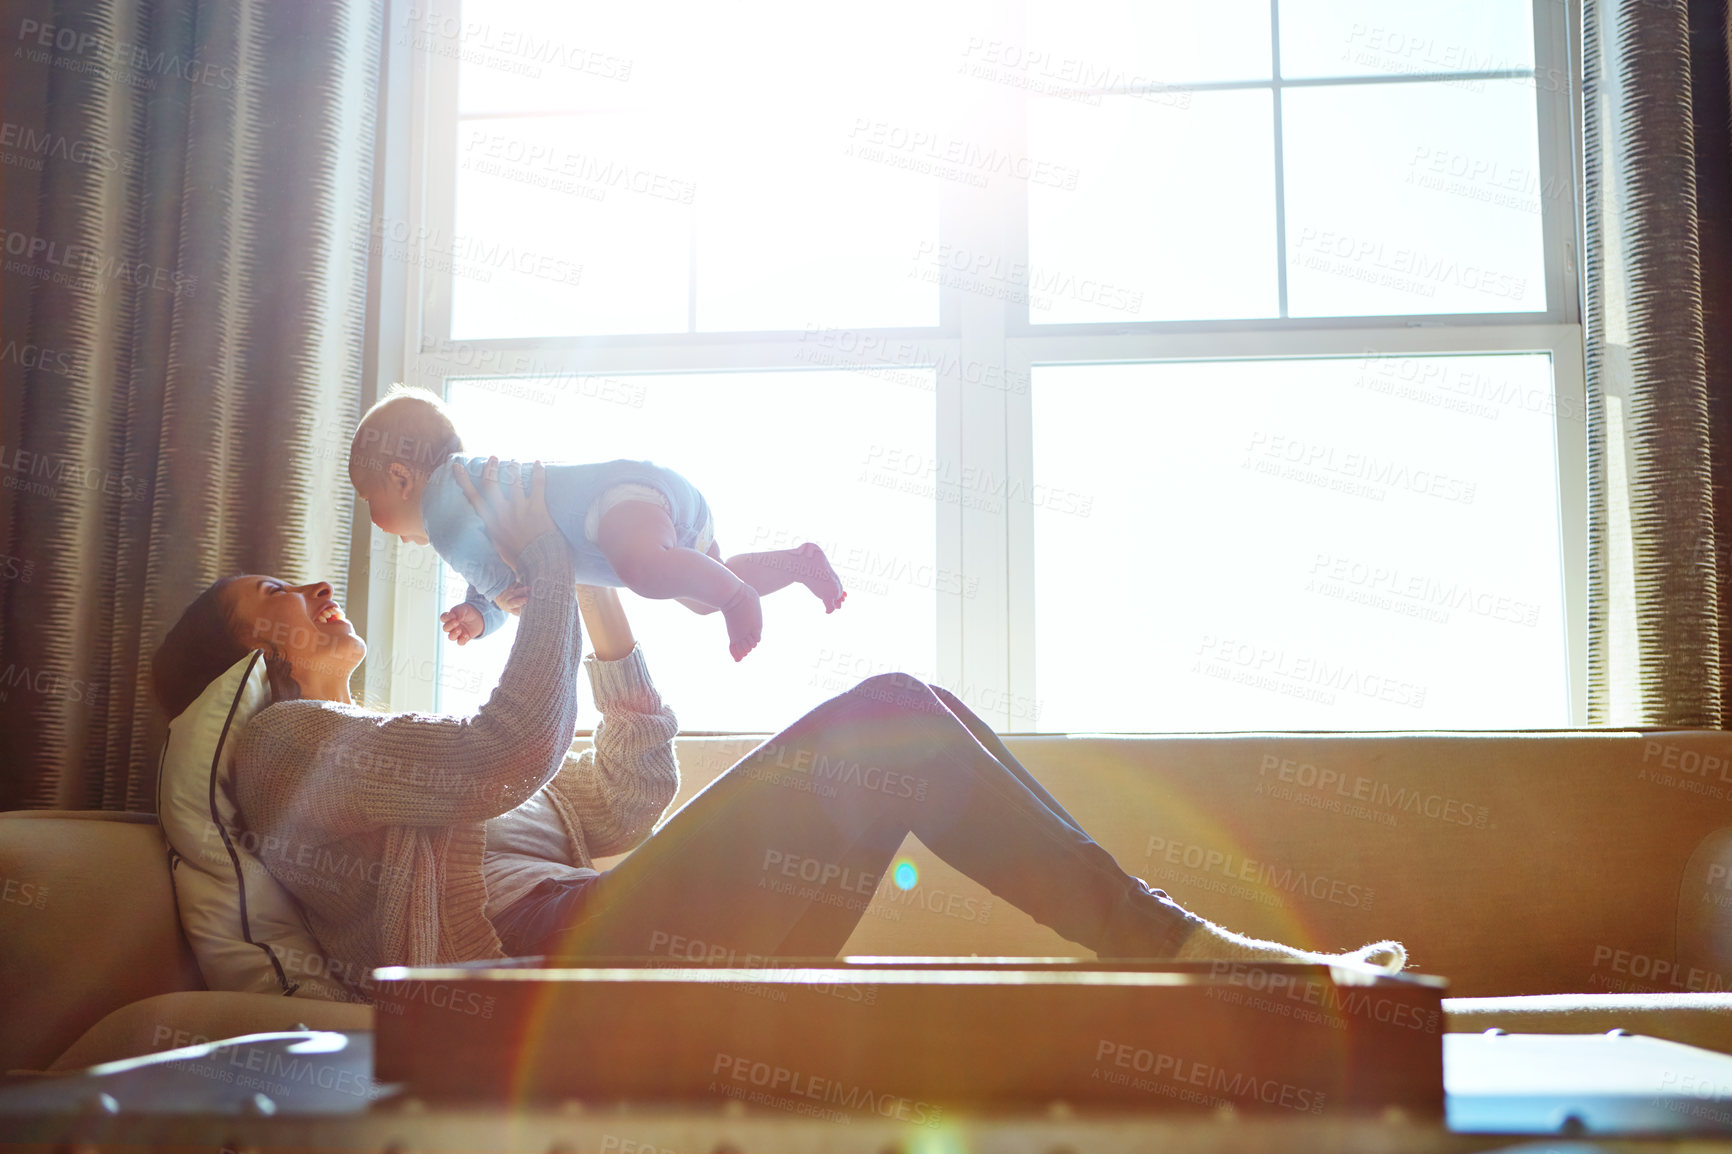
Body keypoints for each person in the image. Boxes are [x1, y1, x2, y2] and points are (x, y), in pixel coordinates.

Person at [150, 460, 1405, 1005]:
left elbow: (626, 789)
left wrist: (586, 587)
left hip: (603, 921)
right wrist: (539, 541)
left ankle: (1190, 956)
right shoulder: (288, 748)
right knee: (891, 717)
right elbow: (506, 750)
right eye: (278, 593)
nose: (316, 588)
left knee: (919, 718)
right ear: (246, 656)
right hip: (550, 979)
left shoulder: (375, 741)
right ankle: (1182, 952)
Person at [346, 384, 845, 662]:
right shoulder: (465, 500)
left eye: (369, 497)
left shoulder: (441, 509)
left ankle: (739, 598)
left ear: (401, 477)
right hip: (659, 504)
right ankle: (795, 565)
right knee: (698, 593)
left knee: (647, 573)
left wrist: (504, 599)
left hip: (613, 507)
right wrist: (481, 617)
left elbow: (507, 584)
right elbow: (496, 584)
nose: (378, 520)